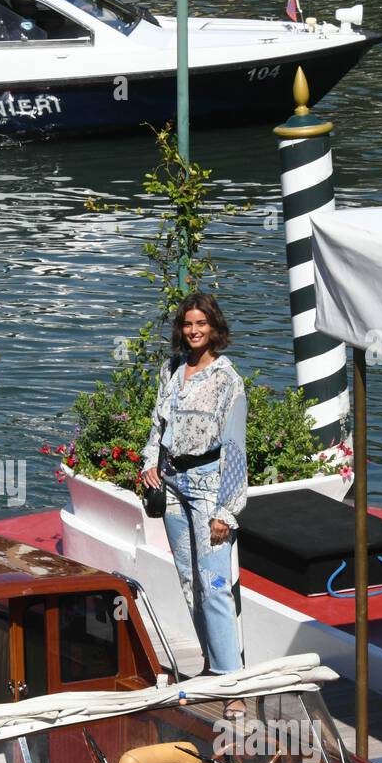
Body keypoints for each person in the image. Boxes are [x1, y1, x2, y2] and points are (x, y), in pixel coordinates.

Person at [141, 293, 248, 714]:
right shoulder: (172, 370)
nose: (193, 330)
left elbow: (236, 449)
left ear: (213, 328)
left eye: (201, 323)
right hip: (172, 485)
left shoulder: (228, 380)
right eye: (188, 323)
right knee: (190, 584)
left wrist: (226, 511)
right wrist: (151, 463)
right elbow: (157, 425)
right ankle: (210, 665)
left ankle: (232, 685)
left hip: (209, 486)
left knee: (216, 586)